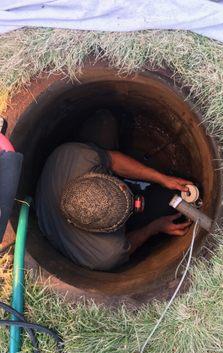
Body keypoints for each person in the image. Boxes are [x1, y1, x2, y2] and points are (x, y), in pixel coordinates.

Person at [35, 110, 192, 271]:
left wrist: (162, 178)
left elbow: (114, 161)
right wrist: (155, 228)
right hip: (64, 234)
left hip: (59, 186)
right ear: (110, 229)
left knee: (105, 121)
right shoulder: (106, 254)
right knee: (166, 203)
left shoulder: (70, 155)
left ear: (96, 177)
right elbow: (128, 245)